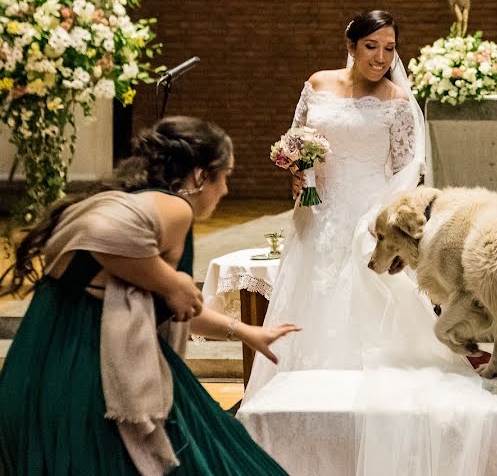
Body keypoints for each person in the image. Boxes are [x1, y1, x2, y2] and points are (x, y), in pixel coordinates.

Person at [0, 116, 298, 474]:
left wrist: (246, 331)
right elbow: (101, 234)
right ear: (201, 176)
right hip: (94, 365)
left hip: (42, 359)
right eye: (226, 176)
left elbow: (176, 307)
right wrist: (169, 282)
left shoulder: (125, 200)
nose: (227, 191)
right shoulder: (173, 207)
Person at [244, 10, 464, 400]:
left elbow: (409, 168)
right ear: (350, 46)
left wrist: (383, 218)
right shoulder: (317, 84)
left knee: (366, 295)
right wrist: (296, 172)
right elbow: (296, 141)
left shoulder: (396, 102)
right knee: (312, 295)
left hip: (369, 215)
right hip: (316, 212)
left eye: (389, 49)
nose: (381, 58)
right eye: (371, 47)